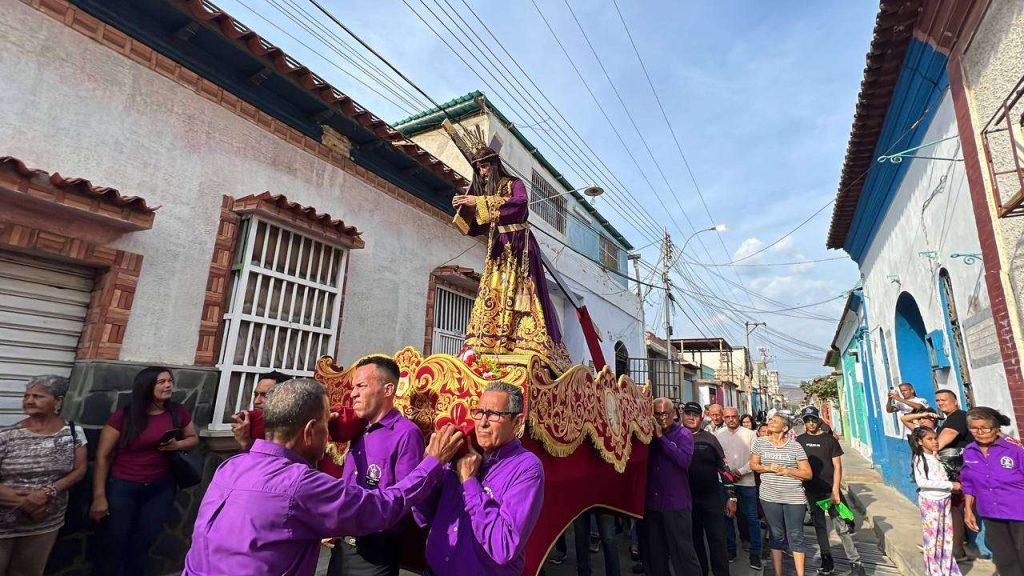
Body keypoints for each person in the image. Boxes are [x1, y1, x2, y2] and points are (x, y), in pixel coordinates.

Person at [184, 379, 463, 575]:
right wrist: (433, 463)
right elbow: (381, 507)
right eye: (324, 425)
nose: (329, 433)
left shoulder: (231, 466)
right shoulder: (299, 484)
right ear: (308, 431)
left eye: (361, 386)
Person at [451, 144, 570, 372]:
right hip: (497, 250)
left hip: (518, 246)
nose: (482, 172)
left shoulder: (514, 184)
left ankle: (525, 344)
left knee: (522, 293)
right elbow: (477, 226)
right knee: (493, 293)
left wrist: (478, 202)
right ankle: (491, 342)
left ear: (494, 165)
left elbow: (520, 205)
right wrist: (464, 209)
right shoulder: (485, 194)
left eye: (484, 166)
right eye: (478, 169)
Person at [413, 382, 544, 576]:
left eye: (494, 415)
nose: (482, 422)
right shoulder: (460, 451)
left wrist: (469, 481)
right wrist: (430, 467)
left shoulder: (526, 467)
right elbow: (423, 517)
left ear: (517, 422)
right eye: (479, 412)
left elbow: (504, 546)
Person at [90, 366, 199, 575]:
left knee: (143, 543)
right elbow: (103, 456)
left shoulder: (178, 412)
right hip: (123, 487)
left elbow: (193, 439)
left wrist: (177, 445)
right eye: (161, 382)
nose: (168, 385)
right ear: (146, 386)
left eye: (170, 381)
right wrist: (99, 497)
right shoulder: (125, 416)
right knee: (114, 543)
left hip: (160, 488)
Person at [327, 357, 424, 576]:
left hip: (376, 551)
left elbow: (408, 495)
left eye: (361, 386)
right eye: (353, 388)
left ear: (388, 389)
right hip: (342, 545)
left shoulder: (405, 434)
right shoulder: (357, 428)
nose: (353, 394)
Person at [0, 376, 87, 576]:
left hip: (45, 521)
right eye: (26, 396)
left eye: (38, 396)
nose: (29, 400)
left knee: (28, 572)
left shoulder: (73, 432)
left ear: (58, 401)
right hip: (4, 521)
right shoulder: (7, 435)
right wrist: (25, 503)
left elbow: (79, 470)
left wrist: (50, 490)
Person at [795, 406, 864, 576]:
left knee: (841, 527)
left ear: (819, 420)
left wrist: (835, 490)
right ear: (804, 422)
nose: (810, 423)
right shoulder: (799, 440)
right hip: (811, 491)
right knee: (819, 526)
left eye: (813, 419)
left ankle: (856, 564)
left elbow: (837, 466)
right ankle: (827, 560)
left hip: (829, 491)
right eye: (807, 420)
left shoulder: (830, 440)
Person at [639, 397, 702, 576]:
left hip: (676, 505)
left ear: (674, 414)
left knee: (683, 554)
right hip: (652, 505)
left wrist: (661, 439)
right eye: (657, 414)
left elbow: (683, 460)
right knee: (655, 556)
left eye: (666, 414)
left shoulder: (683, 434)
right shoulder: (646, 435)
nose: (662, 418)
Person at [961, 407, 1024, 575]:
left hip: (1019, 512)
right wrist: (968, 510)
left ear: (996, 429)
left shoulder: (1014, 450)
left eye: (985, 427)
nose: (979, 432)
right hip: (991, 512)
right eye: (974, 428)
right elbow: (968, 483)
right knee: (1004, 559)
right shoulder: (969, 452)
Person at [751, 413, 812, 576]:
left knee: (796, 535)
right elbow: (754, 465)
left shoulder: (795, 446)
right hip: (769, 497)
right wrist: (768, 467)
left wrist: (787, 471)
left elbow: (807, 473)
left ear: (785, 428)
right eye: (770, 420)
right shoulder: (760, 443)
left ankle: (800, 574)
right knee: (776, 535)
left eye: (774, 421)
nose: (770, 422)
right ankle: (778, 573)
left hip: (793, 498)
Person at [680, 402, 732, 576]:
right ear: (682, 415)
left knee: (717, 540)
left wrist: (732, 497)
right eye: (688, 414)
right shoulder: (675, 437)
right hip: (686, 501)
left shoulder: (710, 439)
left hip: (711, 499)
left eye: (695, 415)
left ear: (702, 417)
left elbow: (725, 468)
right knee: (694, 542)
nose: (691, 417)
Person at [908, 426, 962, 576]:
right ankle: (934, 571)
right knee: (932, 540)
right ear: (920, 442)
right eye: (929, 439)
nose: (935, 442)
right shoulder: (920, 459)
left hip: (944, 500)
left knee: (946, 537)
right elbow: (922, 482)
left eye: (935, 438)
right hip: (931, 502)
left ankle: (949, 569)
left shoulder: (933, 457)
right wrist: (950, 485)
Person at [717, 406, 762, 570]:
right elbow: (717, 459)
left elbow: (756, 457)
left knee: (751, 519)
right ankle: (730, 551)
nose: (731, 419)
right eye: (727, 416)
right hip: (725, 484)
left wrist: (742, 471)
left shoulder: (750, 435)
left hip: (747, 483)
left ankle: (755, 553)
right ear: (723, 417)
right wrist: (727, 475)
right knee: (727, 518)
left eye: (734, 416)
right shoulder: (718, 435)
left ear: (738, 416)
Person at [933, 389, 971, 561]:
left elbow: (949, 434)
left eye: (944, 400)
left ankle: (957, 550)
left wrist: (931, 451)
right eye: (938, 401)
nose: (941, 403)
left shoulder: (959, 416)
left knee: (954, 507)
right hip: (953, 470)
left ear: (955, 401)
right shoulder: (948, 418)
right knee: (950, 507)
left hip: (960, 470)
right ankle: (952, 545)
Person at [231, 370, 290, 449]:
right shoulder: (251, 424)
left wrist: (245, 443)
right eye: (256, 395)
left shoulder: (291, 432)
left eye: (265, 395)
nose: (256, 401)